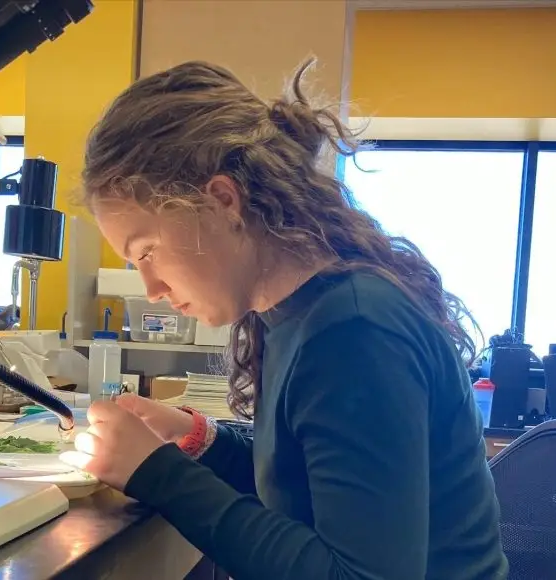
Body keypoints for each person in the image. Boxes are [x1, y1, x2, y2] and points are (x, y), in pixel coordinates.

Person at [64, 58, 508, 579]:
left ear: (223, 201)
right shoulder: (292, 315)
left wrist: (157, 473)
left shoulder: (354, 331)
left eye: (146, 252)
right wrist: (197, 439)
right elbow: (308, 485)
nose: (152, 289)